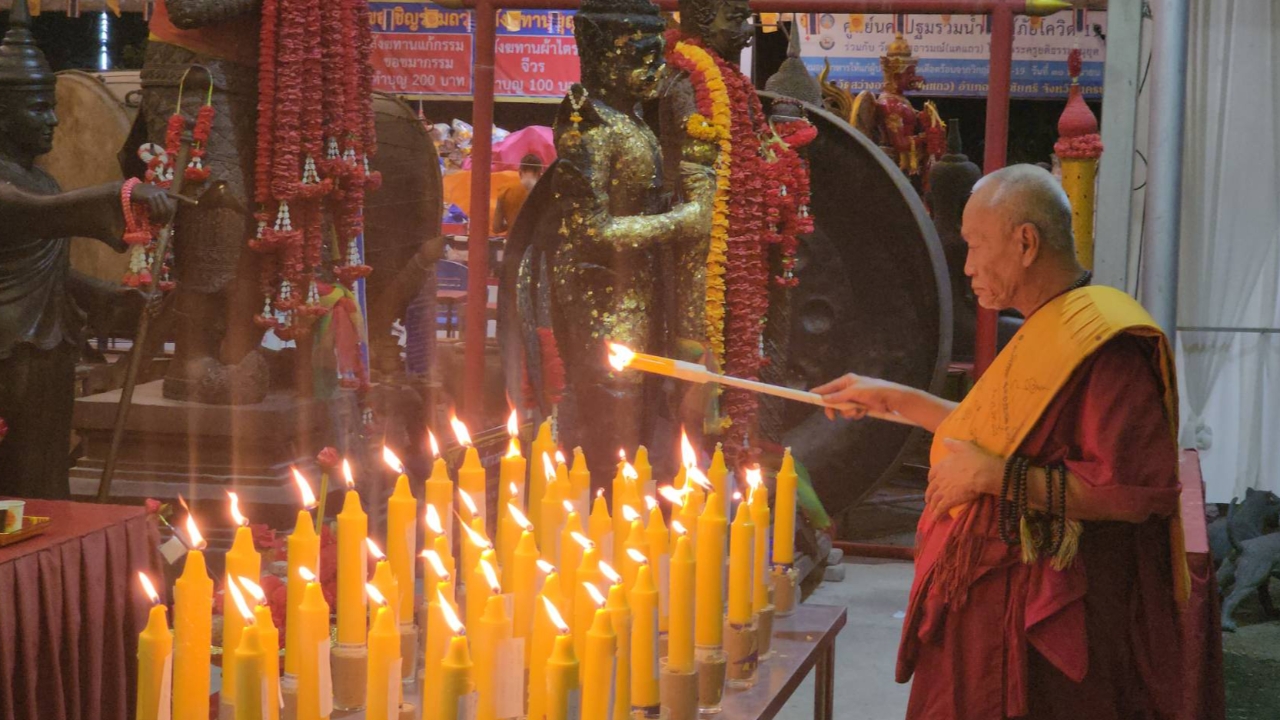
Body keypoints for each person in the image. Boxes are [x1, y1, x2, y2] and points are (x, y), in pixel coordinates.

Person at [816, 164, 1187, 720]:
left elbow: (1131, 495)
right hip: (986, 601)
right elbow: (998, 430)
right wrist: (894, 399)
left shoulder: (1105, 347)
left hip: (1045, 622)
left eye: (974, 244)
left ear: (1025, 242)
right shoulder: (1050, 323)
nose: (966, 266)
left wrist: (995, 477)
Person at [0, 0, 177, 499]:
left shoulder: (42, 179)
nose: (53, 120)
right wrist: (124, 195)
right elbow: (35, 213)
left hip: (47, 348)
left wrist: (107, 296)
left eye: (52, 106)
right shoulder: (17, 189)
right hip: (8, 349)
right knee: (17, 475)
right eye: (38, 108)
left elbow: (52, 268)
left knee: (45, 472)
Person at [493, 153, 544, 234]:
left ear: (520, 172)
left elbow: (496, 227)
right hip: (537, 240)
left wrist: (512, 224)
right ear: (539, 173)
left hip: (514, 240)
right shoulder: (546, 193)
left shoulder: (505, 191)